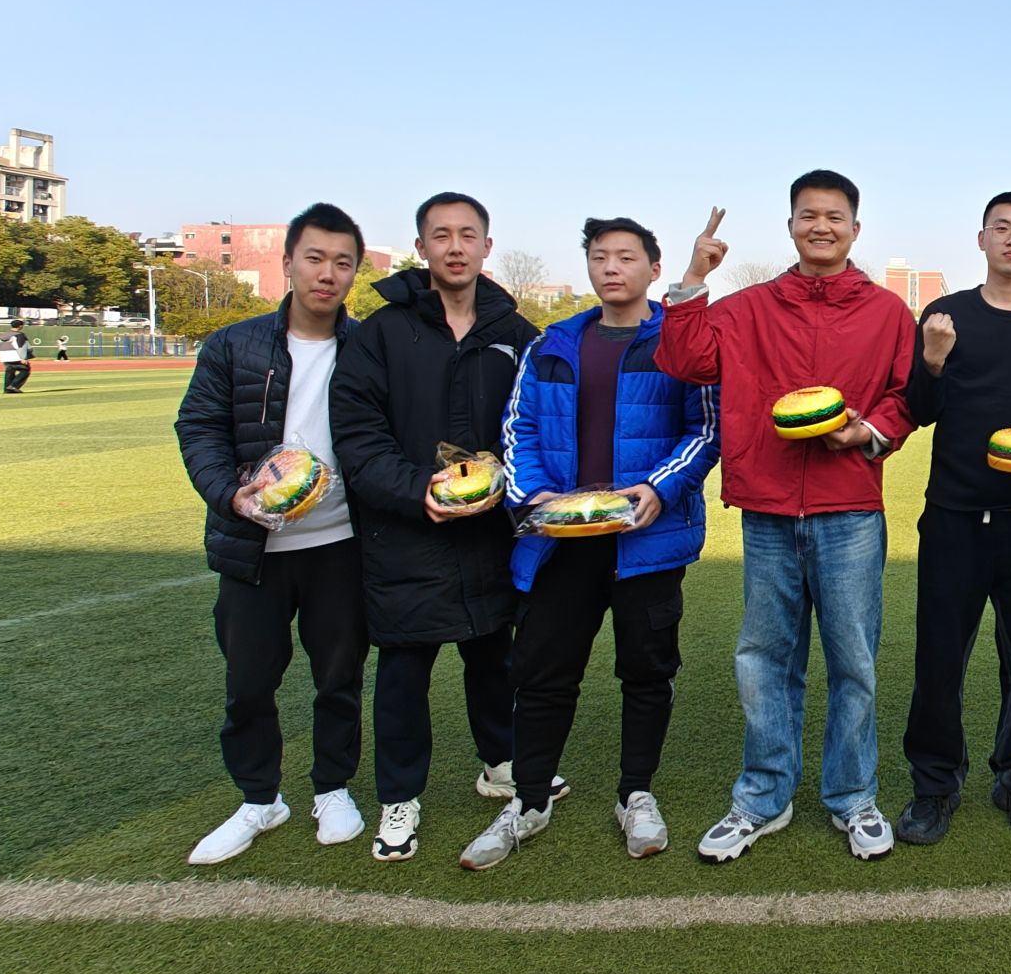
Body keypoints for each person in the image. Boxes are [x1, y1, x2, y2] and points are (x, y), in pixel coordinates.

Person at [658, 172, 917, 862]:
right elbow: (685, 358)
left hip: (850, 508)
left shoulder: (888, 312)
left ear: (855, 229)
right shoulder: (749, 307)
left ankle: (853, 795)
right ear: (791, 226)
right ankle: (763, 798)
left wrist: (866, 432)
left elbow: (906, 396)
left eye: (834, 216)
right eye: (808, 215)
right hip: (768, 507)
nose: (821, 226)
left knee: (854, 661)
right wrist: (694, 276)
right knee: (765, 659)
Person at [458, 218, 720, 870]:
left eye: (626, 257)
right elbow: (517, 428)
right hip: (560, 543)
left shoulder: (677, 344)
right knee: (542, 673)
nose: (611, 268)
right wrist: (534, 497)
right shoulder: (552, 344)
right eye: (600, 256)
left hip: (645, 541)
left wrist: (658, 487)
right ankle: (528, 800)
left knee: (647, 671)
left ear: (652, 269)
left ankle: (636, 794)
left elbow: (705, 429)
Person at [330, 192, 541, 862]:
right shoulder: (382, 333)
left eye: (467, 234)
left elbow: (537, 425)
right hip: (406, 534)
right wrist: (415, 490)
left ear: (486, 246)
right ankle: (399, 798)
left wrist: (512, 489)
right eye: (441, 235)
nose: (455, 247)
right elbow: (357, 435)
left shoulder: (515, 333)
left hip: (489, 535)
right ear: (421, 248)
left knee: (494, 656)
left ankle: (500, 763)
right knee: (403, 674)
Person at [173, 203, 370, 864]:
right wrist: (231, 493)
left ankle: (333, 789)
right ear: (288, 263)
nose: (327, 273)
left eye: (342, 262)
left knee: (339, 677)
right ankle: (260, 799)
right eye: (315, 258)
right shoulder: (235, 345)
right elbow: (198, 428)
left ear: (354, 272)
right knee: (249, 682)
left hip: (340, 545)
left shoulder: (367, 348)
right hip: (252, 548)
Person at [895, 193, 1011, 845]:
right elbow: (919, 410)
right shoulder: (945, 317)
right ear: (981, 239)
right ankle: (934, 786)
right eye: (1000, 227)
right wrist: (932, 361)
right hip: (953, 519)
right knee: (939, 662)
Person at [0, 318, 32, 393]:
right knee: (25, 369)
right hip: (15, 355)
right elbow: (22, 346)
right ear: (20, 326)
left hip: (4, 356)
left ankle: (7, 389)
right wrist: (23, 358)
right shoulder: (19, 335)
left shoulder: (4, 335)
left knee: (10, 370)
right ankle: (13, 386)